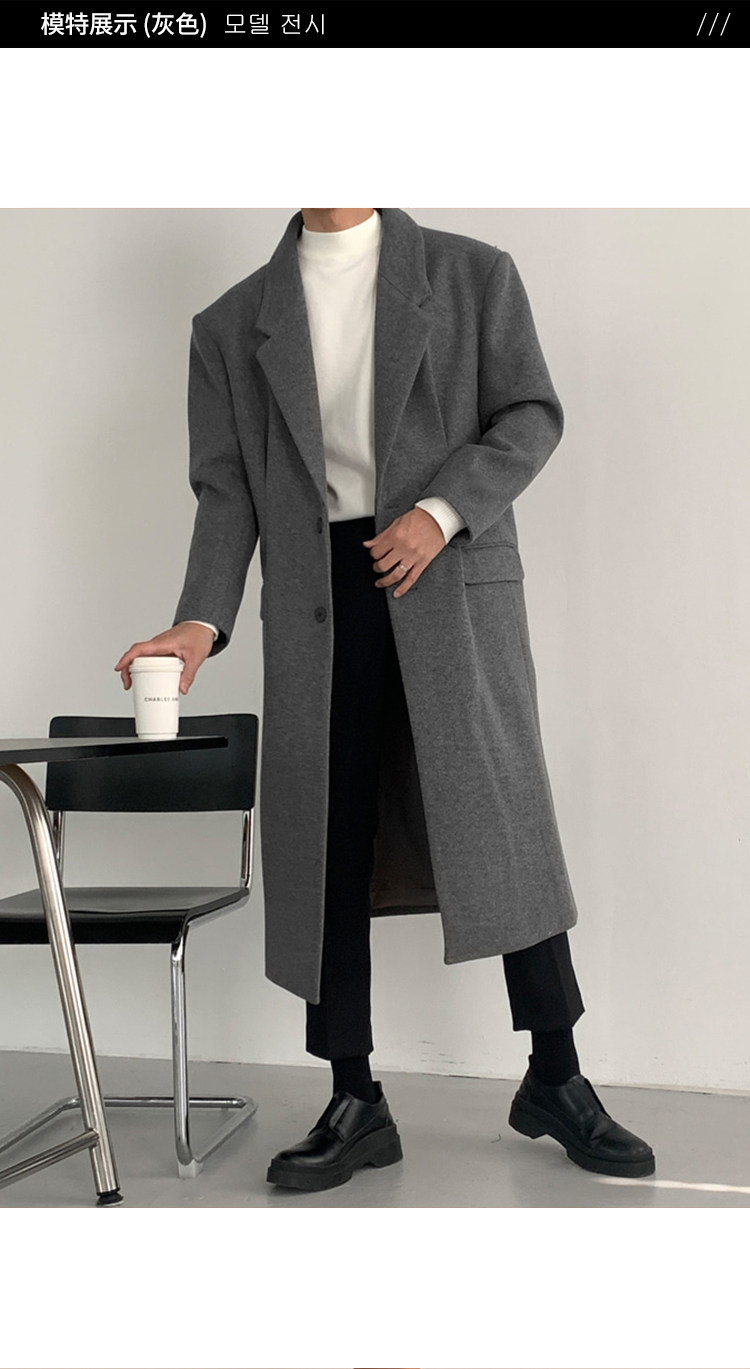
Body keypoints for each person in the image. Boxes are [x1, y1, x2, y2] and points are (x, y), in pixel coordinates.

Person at [115, 208, 655, 1193]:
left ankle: (556, 1074)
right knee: (328, 837)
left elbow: (529, 413)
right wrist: (198, 621)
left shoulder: (471, 275)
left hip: (445, 575)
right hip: (317, 600)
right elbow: (226, 491)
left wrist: (442, 512)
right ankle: (354, 1095)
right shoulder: (232, 325)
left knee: (503, 820)